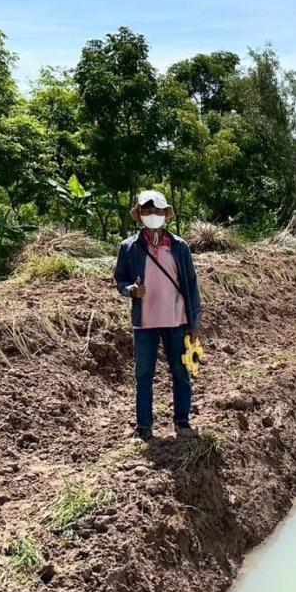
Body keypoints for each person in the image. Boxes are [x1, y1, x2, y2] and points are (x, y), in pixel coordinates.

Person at [113, 189, 203, 440]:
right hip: (145, 322)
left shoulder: (179, 247)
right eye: (147, 210)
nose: (152, 215)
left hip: (176, 319)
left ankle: (182, 422)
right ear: (139, 215)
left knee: (180, 371)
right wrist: (131, 290)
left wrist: (194, 321)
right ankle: (144, 426)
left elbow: (191, 284)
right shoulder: (129, 248)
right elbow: (120, 280)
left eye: (157, 210)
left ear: (166, 214)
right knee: (143, 374)